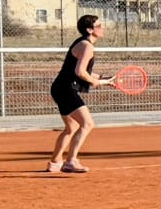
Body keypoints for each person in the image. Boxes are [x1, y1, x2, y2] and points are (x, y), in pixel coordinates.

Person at [47, 14, 113, 174]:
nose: (102, 28)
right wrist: (93, 81)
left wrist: (103, 78)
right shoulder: (87, 46)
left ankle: (55, 163)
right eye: (99, 26)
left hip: (60, 87)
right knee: (87, 124)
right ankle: (70, 161)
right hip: (65, 89)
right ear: (90, 30)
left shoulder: (83, 43)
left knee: (71, 127)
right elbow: (80, 72)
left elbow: (80, 71)